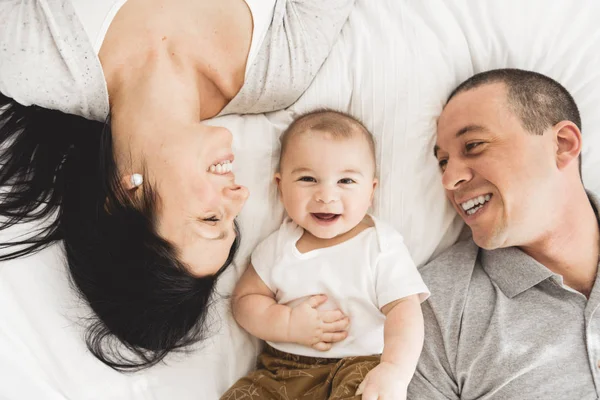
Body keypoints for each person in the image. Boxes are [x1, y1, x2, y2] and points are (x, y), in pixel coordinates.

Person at [0, 0, 355, 371]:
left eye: (209, 219)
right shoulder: (280, 68)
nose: (240, 196)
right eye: (230, 222)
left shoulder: (34, 59)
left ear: (125, 198)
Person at [407, 69, 600, 399]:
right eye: (442, 162)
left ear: (563, 144)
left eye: (474, 145)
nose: (449, 179)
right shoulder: (432, 312)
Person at [221, 110, 430, 400]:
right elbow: (245, 302)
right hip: (281, 369)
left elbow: (404, 310)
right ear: (281, 187)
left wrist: (394, 370)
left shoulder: (381, 246)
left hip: (359, 365)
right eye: (308, 178)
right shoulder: (278, 246)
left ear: (371, 192)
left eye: (346, 181)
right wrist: (288, 323)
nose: (326, 195)